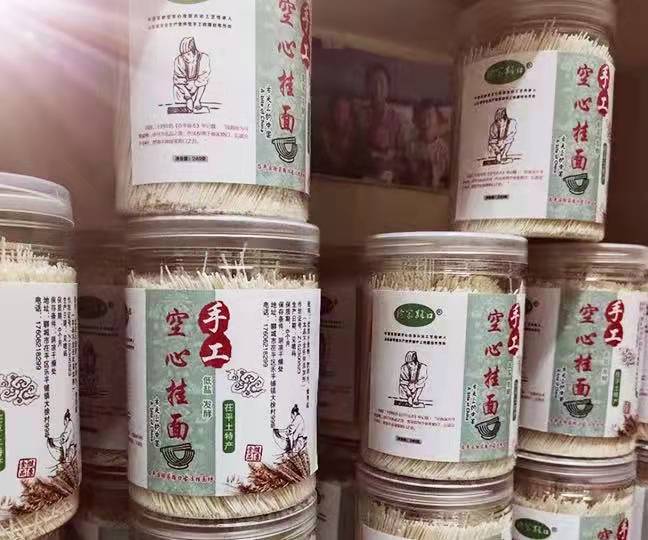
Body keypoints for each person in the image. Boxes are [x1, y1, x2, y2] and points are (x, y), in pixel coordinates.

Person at [362, 64, 403, 183]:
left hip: (388, 176)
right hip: (363, 173)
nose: (377, 88)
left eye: (382, 83)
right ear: (367, 87)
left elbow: (403, 154)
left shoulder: (398, 119)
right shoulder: (359, 115)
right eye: (373, 83)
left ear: (388, 88)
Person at [406, 100, 451, 189]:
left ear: (437, 120)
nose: (426, 122)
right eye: (422, 117)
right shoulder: (410, 147)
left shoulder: (443, 149)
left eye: (430, 116)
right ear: (415, 121)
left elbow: (447, 178)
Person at [315, 96, 361, 178]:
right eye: (338, 110)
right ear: (331, 112)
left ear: (349, 114)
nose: (340, 115)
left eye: (344, 111)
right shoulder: (321, 137)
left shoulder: (357, 139)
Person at [173, 37, 211, 114]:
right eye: (183, 55)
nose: (185, 57)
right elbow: (178, 80)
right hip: (183, 88)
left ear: (194, 52)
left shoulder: (203, 58)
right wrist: (188, 97)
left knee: (201, 84)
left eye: (188, 54)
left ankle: (197, 101)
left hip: (198, 89)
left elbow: (203, 79)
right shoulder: (179, 60)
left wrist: (197, 100)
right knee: (178, 101)